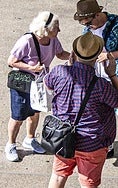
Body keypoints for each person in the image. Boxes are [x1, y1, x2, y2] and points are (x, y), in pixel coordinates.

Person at [45, 31, 118, 188]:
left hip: (62, 138)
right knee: (88, 184)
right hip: (92, 144)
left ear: (74, 53)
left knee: (57, 177)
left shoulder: (58, 72)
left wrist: (70, 67)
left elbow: (47, 85)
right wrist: (112, 75)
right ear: (97, 56)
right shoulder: (101, 86)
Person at [74, 0, 118, 171]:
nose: (88, 26)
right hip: (98, 80)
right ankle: (109, 146)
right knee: (104, 114)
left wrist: (109, 55)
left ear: (97, 14)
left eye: (89, 22)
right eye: (84, 24)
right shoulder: (87, 29)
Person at [5, 11, 70, 162]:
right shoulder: (27, 40)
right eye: (56, 27)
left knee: (35, 112)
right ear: (45, 29)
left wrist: (75, 56)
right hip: (22, 84)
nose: (59, 30)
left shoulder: (53, 40)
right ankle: (11, 144)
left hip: (38, 84)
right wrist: (31, 68)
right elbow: (11, 61)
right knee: (18, 116)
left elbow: (60, 54)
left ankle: (30, 138)